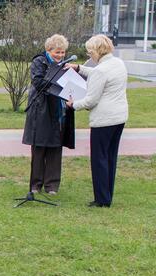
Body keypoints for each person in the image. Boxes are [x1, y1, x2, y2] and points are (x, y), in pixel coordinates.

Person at [66, 34, 129, 207]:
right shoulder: (117, 63)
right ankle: (107, 195)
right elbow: (97, 73)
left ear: (97, 51)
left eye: (90, 52)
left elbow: (91, 100)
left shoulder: (101, 71)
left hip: (104, 120)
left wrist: (73, 104)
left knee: (99, 159)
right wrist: (79, 68)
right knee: (110, 157)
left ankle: (101, 199)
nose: (89, 55)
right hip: (119, 117)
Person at [22, 34, 75, 196]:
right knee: (39, 148)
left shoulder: (66, 65)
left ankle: (52, 185)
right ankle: (35, 184)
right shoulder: (39, 62)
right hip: (41, 110)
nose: (60, 56)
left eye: (63, 52)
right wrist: (58, 79)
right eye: (57, 52)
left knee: (55, 147)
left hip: (60, 111)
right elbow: (38, 82)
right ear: (48, 50)